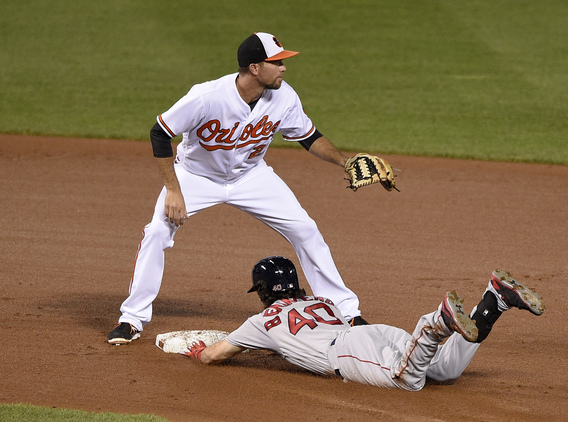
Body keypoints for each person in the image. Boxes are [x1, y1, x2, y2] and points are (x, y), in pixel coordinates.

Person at [108, 32, 373, 345]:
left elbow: (309, 136)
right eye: (277, 62)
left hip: (251, 177)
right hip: (196, 177)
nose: (284, 68)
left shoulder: (284, 96)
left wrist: (343, 161)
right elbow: (160, 133)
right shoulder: (207, 96)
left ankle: (346, 310)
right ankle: (132, 319)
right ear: (255, 68)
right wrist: (173, 189)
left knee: (306, 229)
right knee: (156, 233)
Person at [182, 256, 545, 390]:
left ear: (261, 292)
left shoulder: (261, 320)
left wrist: (196, 353)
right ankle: (494, 300)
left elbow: (216, 355)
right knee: (445, 371)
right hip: (371, 333)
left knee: (408, 380)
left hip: (349, 354)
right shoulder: (320, 302)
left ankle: (437, 321)